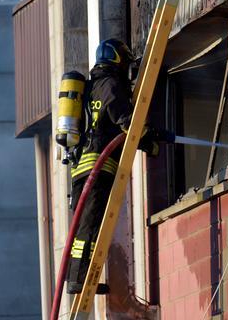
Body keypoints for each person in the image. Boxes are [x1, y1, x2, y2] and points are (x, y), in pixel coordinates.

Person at [66, 38, 171, 294]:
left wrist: (145, 142)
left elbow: (111, 129)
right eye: (125, 61)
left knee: (85, 226)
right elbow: (121, 118)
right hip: (97, 167)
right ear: (118, 60)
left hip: (82, 167)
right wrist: (141, 131)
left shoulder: (92, 86)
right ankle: (78, 280)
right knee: (90, 226)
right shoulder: (109, 84)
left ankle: (77, 278)